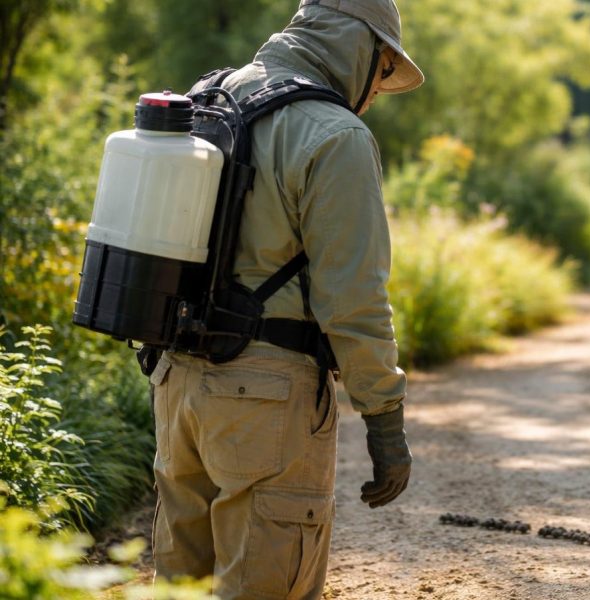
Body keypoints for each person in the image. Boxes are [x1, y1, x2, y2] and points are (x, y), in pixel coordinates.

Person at [147, 1, 423, 598]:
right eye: (382, 71)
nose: (376, 92)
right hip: (265, 401)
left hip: (175, 386)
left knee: (178, 588)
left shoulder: (209, 99)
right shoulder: (336, 135)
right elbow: (355, 302)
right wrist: (385, 420)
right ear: (362, 49)